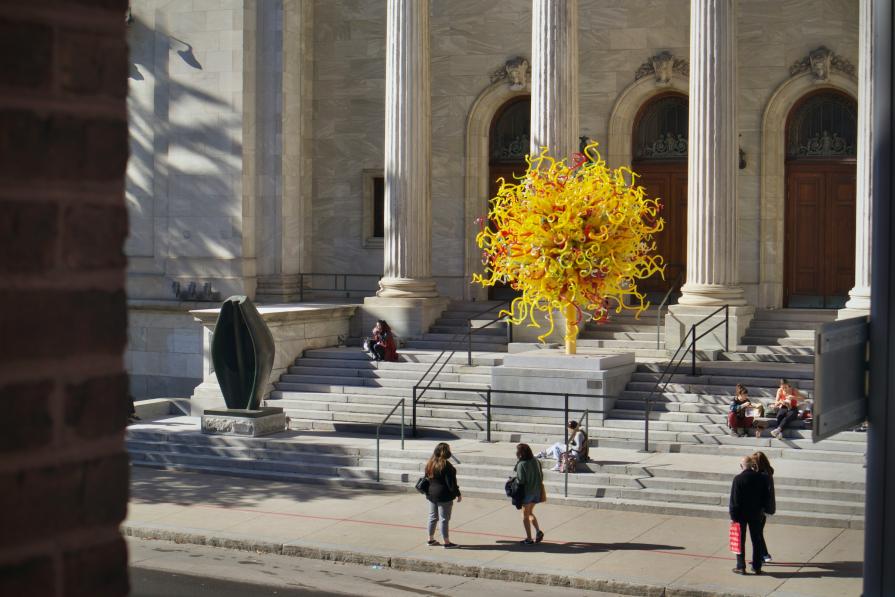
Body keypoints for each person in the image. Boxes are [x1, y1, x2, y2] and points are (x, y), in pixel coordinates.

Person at [729, 454, 772, 575]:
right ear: (753, 465)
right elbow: (766, 497)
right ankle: (757, 566)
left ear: (741, 466)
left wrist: (733, 516)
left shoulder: (738, 479)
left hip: (741, 514)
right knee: (756, 540)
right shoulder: (762, 478)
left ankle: (741, 566)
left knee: (740, 541)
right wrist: (763, 510)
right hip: (756, 514)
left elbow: (734, 500)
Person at [424, 442, 461, 548]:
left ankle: (430, 539)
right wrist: (457, 494)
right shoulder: (446, 465)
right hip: (444, 495)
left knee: (432, 517)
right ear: (446, 452)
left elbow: (426, 477)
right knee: (444, 519)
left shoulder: (430, 463)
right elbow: (451, 484)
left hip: (431, 494)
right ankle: (447, 542)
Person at [515, 443, 545, 545]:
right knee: (530, 512)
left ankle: (529, 538)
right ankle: (538, 531)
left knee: (524, 515)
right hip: (537, 491)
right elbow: (541, 475)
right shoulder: (536, 461)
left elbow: (521, 480)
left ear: (520, 453)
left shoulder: (521, 464)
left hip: (527, 493)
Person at [752, 451, 776, 564]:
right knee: (758, 532)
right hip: (765, 508)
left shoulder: (762, 475)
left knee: (757, 533)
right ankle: (763, 555)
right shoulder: (767, 472)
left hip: (761, 508)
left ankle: (764, 555)